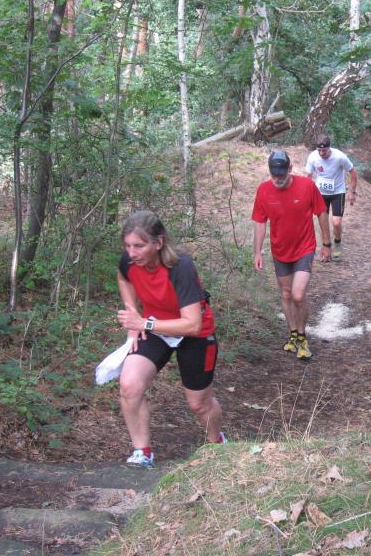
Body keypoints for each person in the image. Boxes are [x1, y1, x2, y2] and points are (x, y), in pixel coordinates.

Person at [115, 211, 226, 468]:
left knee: (199, 404)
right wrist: (133, 317)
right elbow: (123, 278)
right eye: (128, 246)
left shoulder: (180, 267)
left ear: (158, 243)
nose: (132, 253)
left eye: (139, 246)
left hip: (195, 334)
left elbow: (192, 324)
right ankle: (142, 452)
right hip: (155, 327)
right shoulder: (129, 261)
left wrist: (143, 323)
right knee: (129, 385)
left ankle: (217, 446)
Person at [252, 150, 332, 360]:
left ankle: (303, 337)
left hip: (304, 248)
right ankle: (293, 334)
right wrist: (257, 251)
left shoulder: (307, 186)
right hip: (280, 250)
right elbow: (260, 222)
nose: (277, 178)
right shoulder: (263, 191)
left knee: (297, 295)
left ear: (290, 169)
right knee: (286, 294)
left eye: (281, 173)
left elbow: (321, 212)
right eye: (274, 174)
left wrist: (326, 243)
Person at [305, 134, 358, 258]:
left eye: (324, 150)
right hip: (320, 193)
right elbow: (308, 176)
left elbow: (353, 171)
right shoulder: (313, 157)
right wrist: (307, 194)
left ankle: (337, 242)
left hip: (338, 192)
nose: (321, 153)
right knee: (323, 221)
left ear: (329, 148)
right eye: (319, 150)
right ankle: (326, 246)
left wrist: (352, 191)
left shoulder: (339, 156)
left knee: (336, 222)